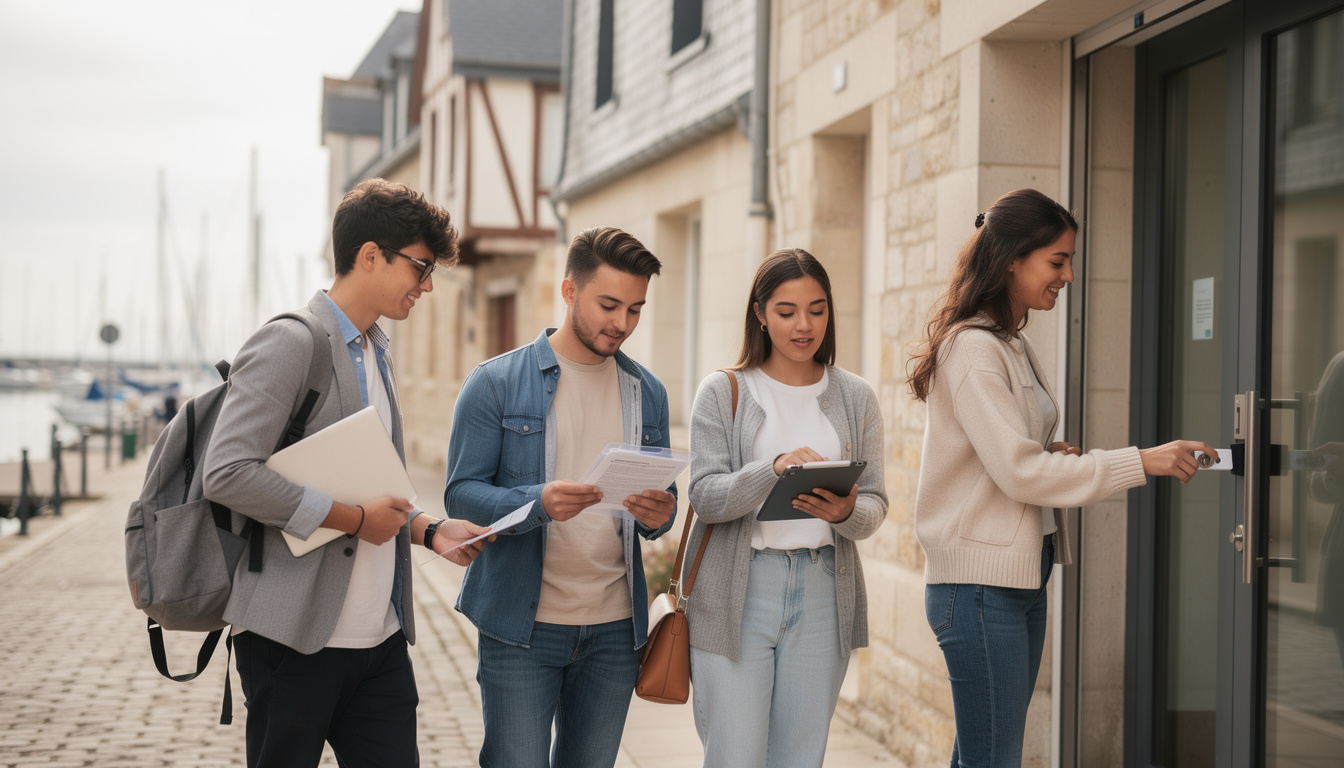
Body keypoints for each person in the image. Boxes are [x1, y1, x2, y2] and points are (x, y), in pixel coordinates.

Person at [907, 188, 1217, 768]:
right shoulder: (975, 350)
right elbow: (1021, 472)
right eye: (1057, 261)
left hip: (1016, 580)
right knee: (992, 758)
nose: (1068, 275)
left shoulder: (1009, 344)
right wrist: (1141, 460)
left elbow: (1008, 456)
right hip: (978, 591)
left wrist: (1046, 450)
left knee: (983, 755)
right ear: (1011, 260)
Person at [203, 178, 492, 768]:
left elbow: (371, 480)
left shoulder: (377, 350)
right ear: (369, 256)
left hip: (379, 640)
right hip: (292, 640)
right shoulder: (290, 342)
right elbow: (228, 472)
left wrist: (428, 529)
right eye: (419, 267)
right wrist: (353, 520)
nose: (428, 285)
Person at [444, 226, 677, 768]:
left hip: (616, 631)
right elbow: (461, 495)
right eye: (609, 305)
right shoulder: (496, 383)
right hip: (521, 627)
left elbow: (656, 512)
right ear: (569, 291)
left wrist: (660, 515)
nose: (622, 323)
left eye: (636, 309)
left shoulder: (650, 393)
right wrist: (537, 502)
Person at [682, 249, 888, 768]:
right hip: (738, 591)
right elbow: (704, 496)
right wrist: (772, 469)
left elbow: (876, 504)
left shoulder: (855, 396)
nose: (804, 325)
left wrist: (843, 513)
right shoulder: (723, 391)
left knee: (799, 758)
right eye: (787, 311)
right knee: (735, 755)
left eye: (817, 310)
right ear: (759, 313)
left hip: (823, 591)